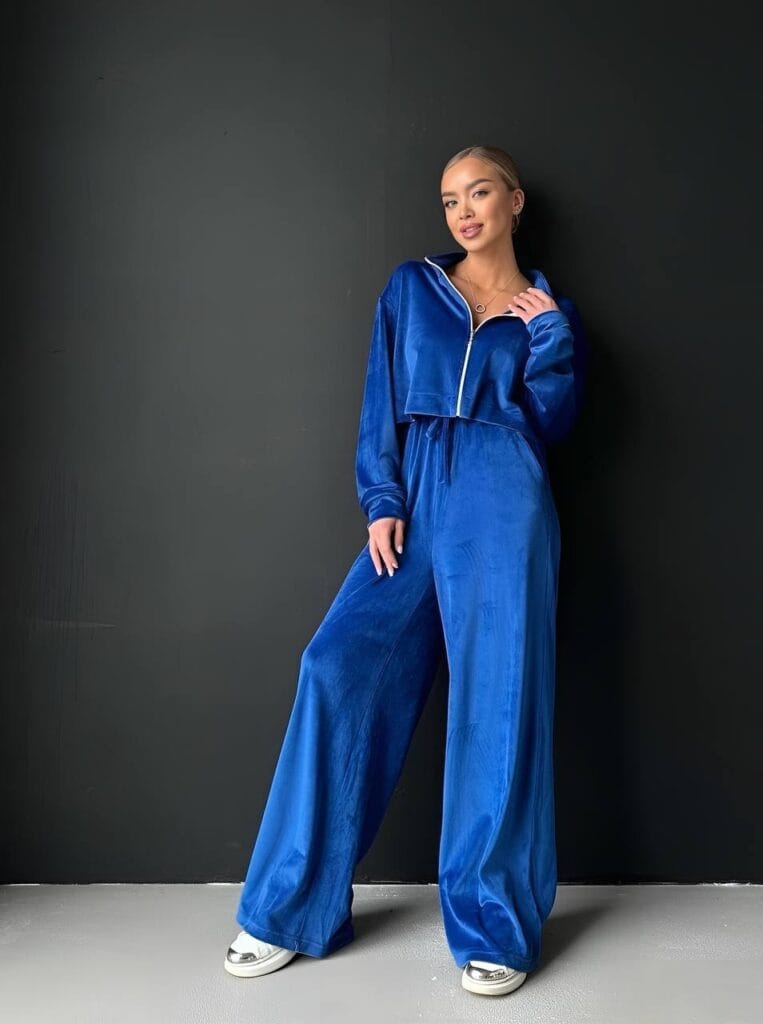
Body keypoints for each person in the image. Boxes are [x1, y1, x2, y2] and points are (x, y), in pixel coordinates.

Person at [223, 144, 587, 997]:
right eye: (450, 199)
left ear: (514, 201)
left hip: (504, 496)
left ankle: (494, 925)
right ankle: (289, 907)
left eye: (479, 193)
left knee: (496, 700)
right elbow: (379, 399)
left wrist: (550, 339)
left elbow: (554, 422)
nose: (463, 212)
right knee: (337, 666)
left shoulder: (545, 309)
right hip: (418, 493)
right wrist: (382, 497)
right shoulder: (412, 288)